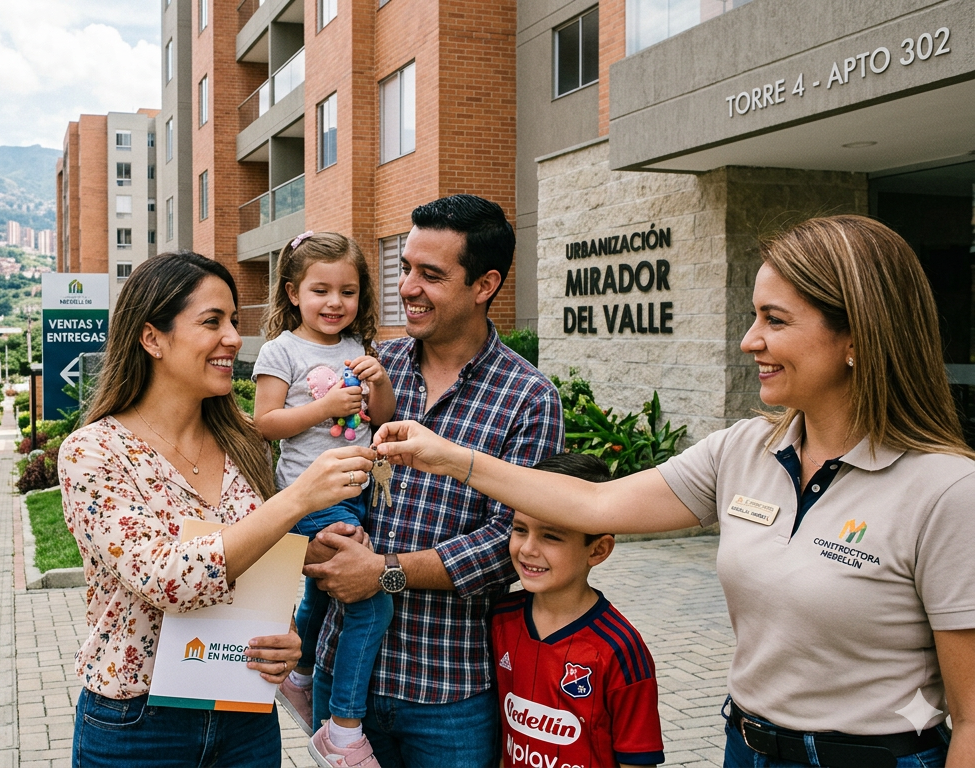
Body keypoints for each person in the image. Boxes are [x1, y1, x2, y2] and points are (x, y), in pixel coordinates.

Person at [374, 215, 975, 768]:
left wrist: (387, 567)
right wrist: (448, 458)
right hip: (746, 746)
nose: (749, 340)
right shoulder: (743, 450)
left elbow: (971, 718)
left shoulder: (946, 490)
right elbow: (590, 505)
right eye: (754, 316)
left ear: (856, 338)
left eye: (775, 320)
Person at [59, 251, 377, 768]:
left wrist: (290, 628)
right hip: (137, 725)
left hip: (244, 711)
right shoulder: (93, 451)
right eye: (213, 321)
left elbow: (253, 557)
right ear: (151, 337)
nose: (233, 337)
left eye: (233, 321)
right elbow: (168, 579)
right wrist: (300, 497)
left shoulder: (244, 441)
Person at [303, 194, 565, 768]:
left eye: (431, 274)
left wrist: (383, 575)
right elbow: (311, 470)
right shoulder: (371, 369)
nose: (407, 287)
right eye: (405, 268)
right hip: (343, 673)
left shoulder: (528, 398)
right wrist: (315, 543)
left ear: (484, 284)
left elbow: (513, 545)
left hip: (447, 690)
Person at [251, 231, 398, 767]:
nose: (335, 302)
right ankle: (342, 729)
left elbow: (378, 418)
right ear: (293, 293)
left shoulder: (359, 350)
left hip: (357, 493)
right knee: (373, 602)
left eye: (348, 291)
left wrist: (378, 382)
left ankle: (300, 675)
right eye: (320, 290)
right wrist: (325, 405)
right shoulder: (280, 350)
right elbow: (266, 423)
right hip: (310, 496)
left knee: (317, 596)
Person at [490, 453, 663, 768]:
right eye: (519, 529)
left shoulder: (621, 648)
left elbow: (638, 759)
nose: (527, 548)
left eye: (551, 536)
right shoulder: (501, 618)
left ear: (598, 549)